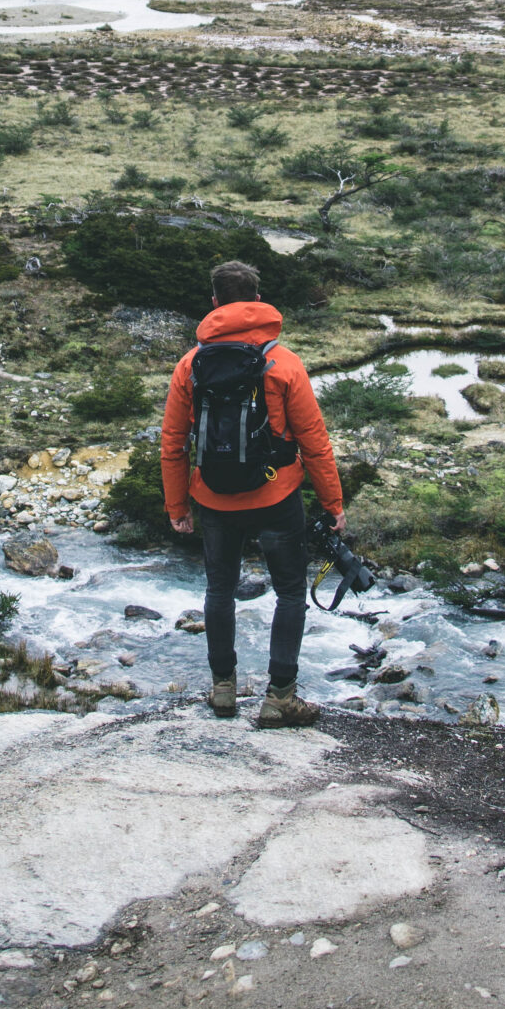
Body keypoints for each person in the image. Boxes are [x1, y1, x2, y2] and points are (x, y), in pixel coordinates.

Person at [161, 259, 345, 728]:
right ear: (258, 301)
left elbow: (173, 443)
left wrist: (177, 506)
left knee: (218, 590)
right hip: (277, 497)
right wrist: (332, 503)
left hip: (213, 499)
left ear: (215, 303)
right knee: (288, 592)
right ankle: (280, 696)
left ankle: (223, 690)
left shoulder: (190, 364)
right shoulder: (283, 363)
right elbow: (313, 440)